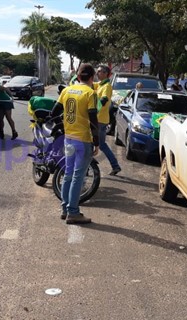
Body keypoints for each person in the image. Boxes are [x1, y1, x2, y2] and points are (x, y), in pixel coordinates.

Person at [50, 63, 100, 224]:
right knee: (78, 177)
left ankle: (65, 209)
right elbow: (93, 120)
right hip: (83, 140)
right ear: (92, 78)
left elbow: (54, 112)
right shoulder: (90, 93)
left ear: (78, 77)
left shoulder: (66, 90)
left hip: (68, 138)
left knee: (68, 174)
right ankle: (73, 212)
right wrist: (97, 142)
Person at [95, 65, 122, 175]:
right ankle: (115, 166)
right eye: (97, 71)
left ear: (106, 73)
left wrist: (94, 110)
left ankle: (115, 166)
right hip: (98, 119)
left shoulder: (106, 86)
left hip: (100, 120)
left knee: (99, 144)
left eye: (100, 71)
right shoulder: (100, 85)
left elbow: (104, 100)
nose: (97, 73)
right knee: (99, 144)